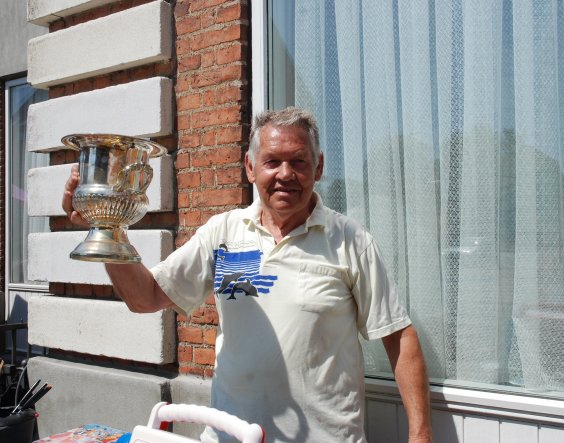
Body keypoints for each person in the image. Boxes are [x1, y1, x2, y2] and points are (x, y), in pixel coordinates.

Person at [62, 107, 433, 443]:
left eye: (299, 162)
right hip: (231, 437)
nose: (285, 174)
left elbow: (399, 337)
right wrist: (107, 227)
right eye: (272, 162)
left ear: (318, 168)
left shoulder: (351, 241)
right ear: (250, 167)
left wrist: (420, 435)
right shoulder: (224, 233)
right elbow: (145, 297)